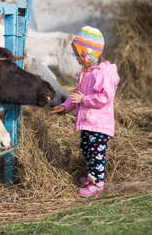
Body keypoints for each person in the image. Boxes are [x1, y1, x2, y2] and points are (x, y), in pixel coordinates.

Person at [51, 26, 120, 197]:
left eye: (77, 54)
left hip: (99, 123)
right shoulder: (87, 72)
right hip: (88, 122)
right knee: (86, 149)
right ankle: (92, 176)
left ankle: (97, 184)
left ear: (87, 53)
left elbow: (105, 97)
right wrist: (66, 107)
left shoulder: (102, 73)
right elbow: (78, 94)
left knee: (97, 154)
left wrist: (84, 100)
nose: (76, 58)